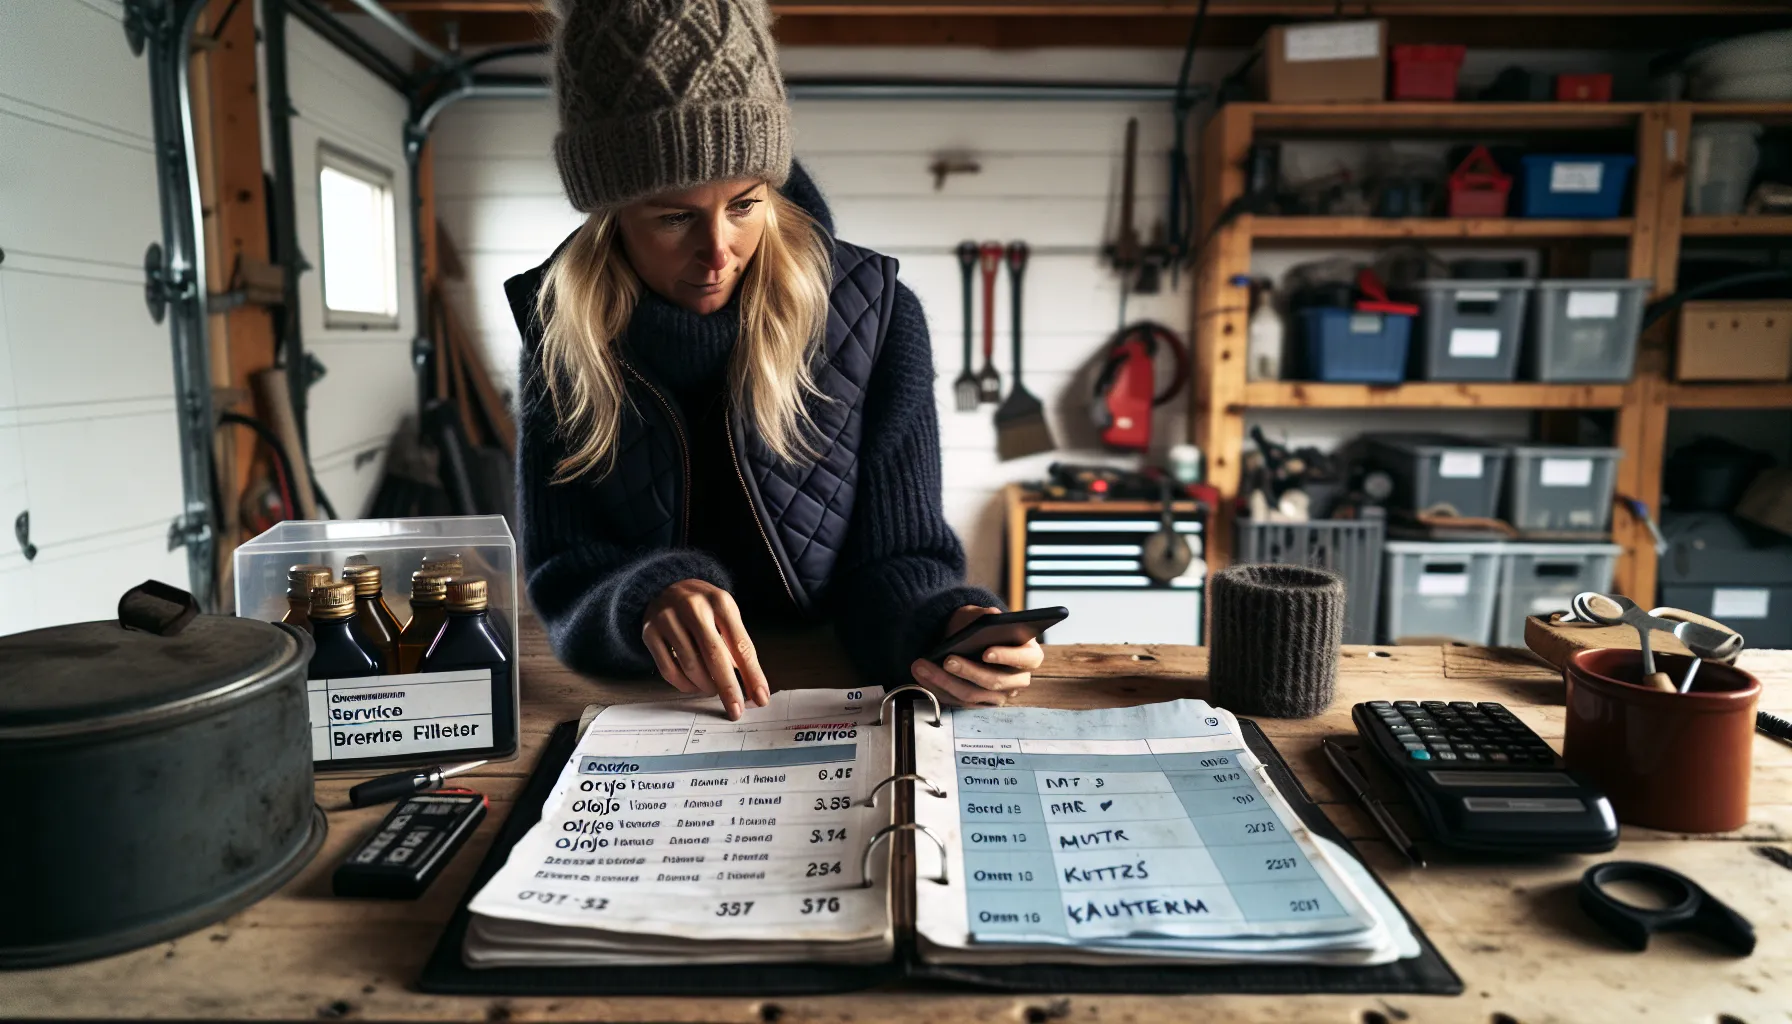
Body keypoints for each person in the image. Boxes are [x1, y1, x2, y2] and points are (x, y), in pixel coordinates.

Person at [510, 0, 1042, 720]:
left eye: (745, 204)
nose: (718, 251)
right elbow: (563, 571)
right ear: (609, 215)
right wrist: (642, 599)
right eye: (673, 217)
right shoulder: (560, 333)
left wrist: (950, 626)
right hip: (652, 710)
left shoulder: (876, 318)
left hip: (833, 697)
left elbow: (898, 555)